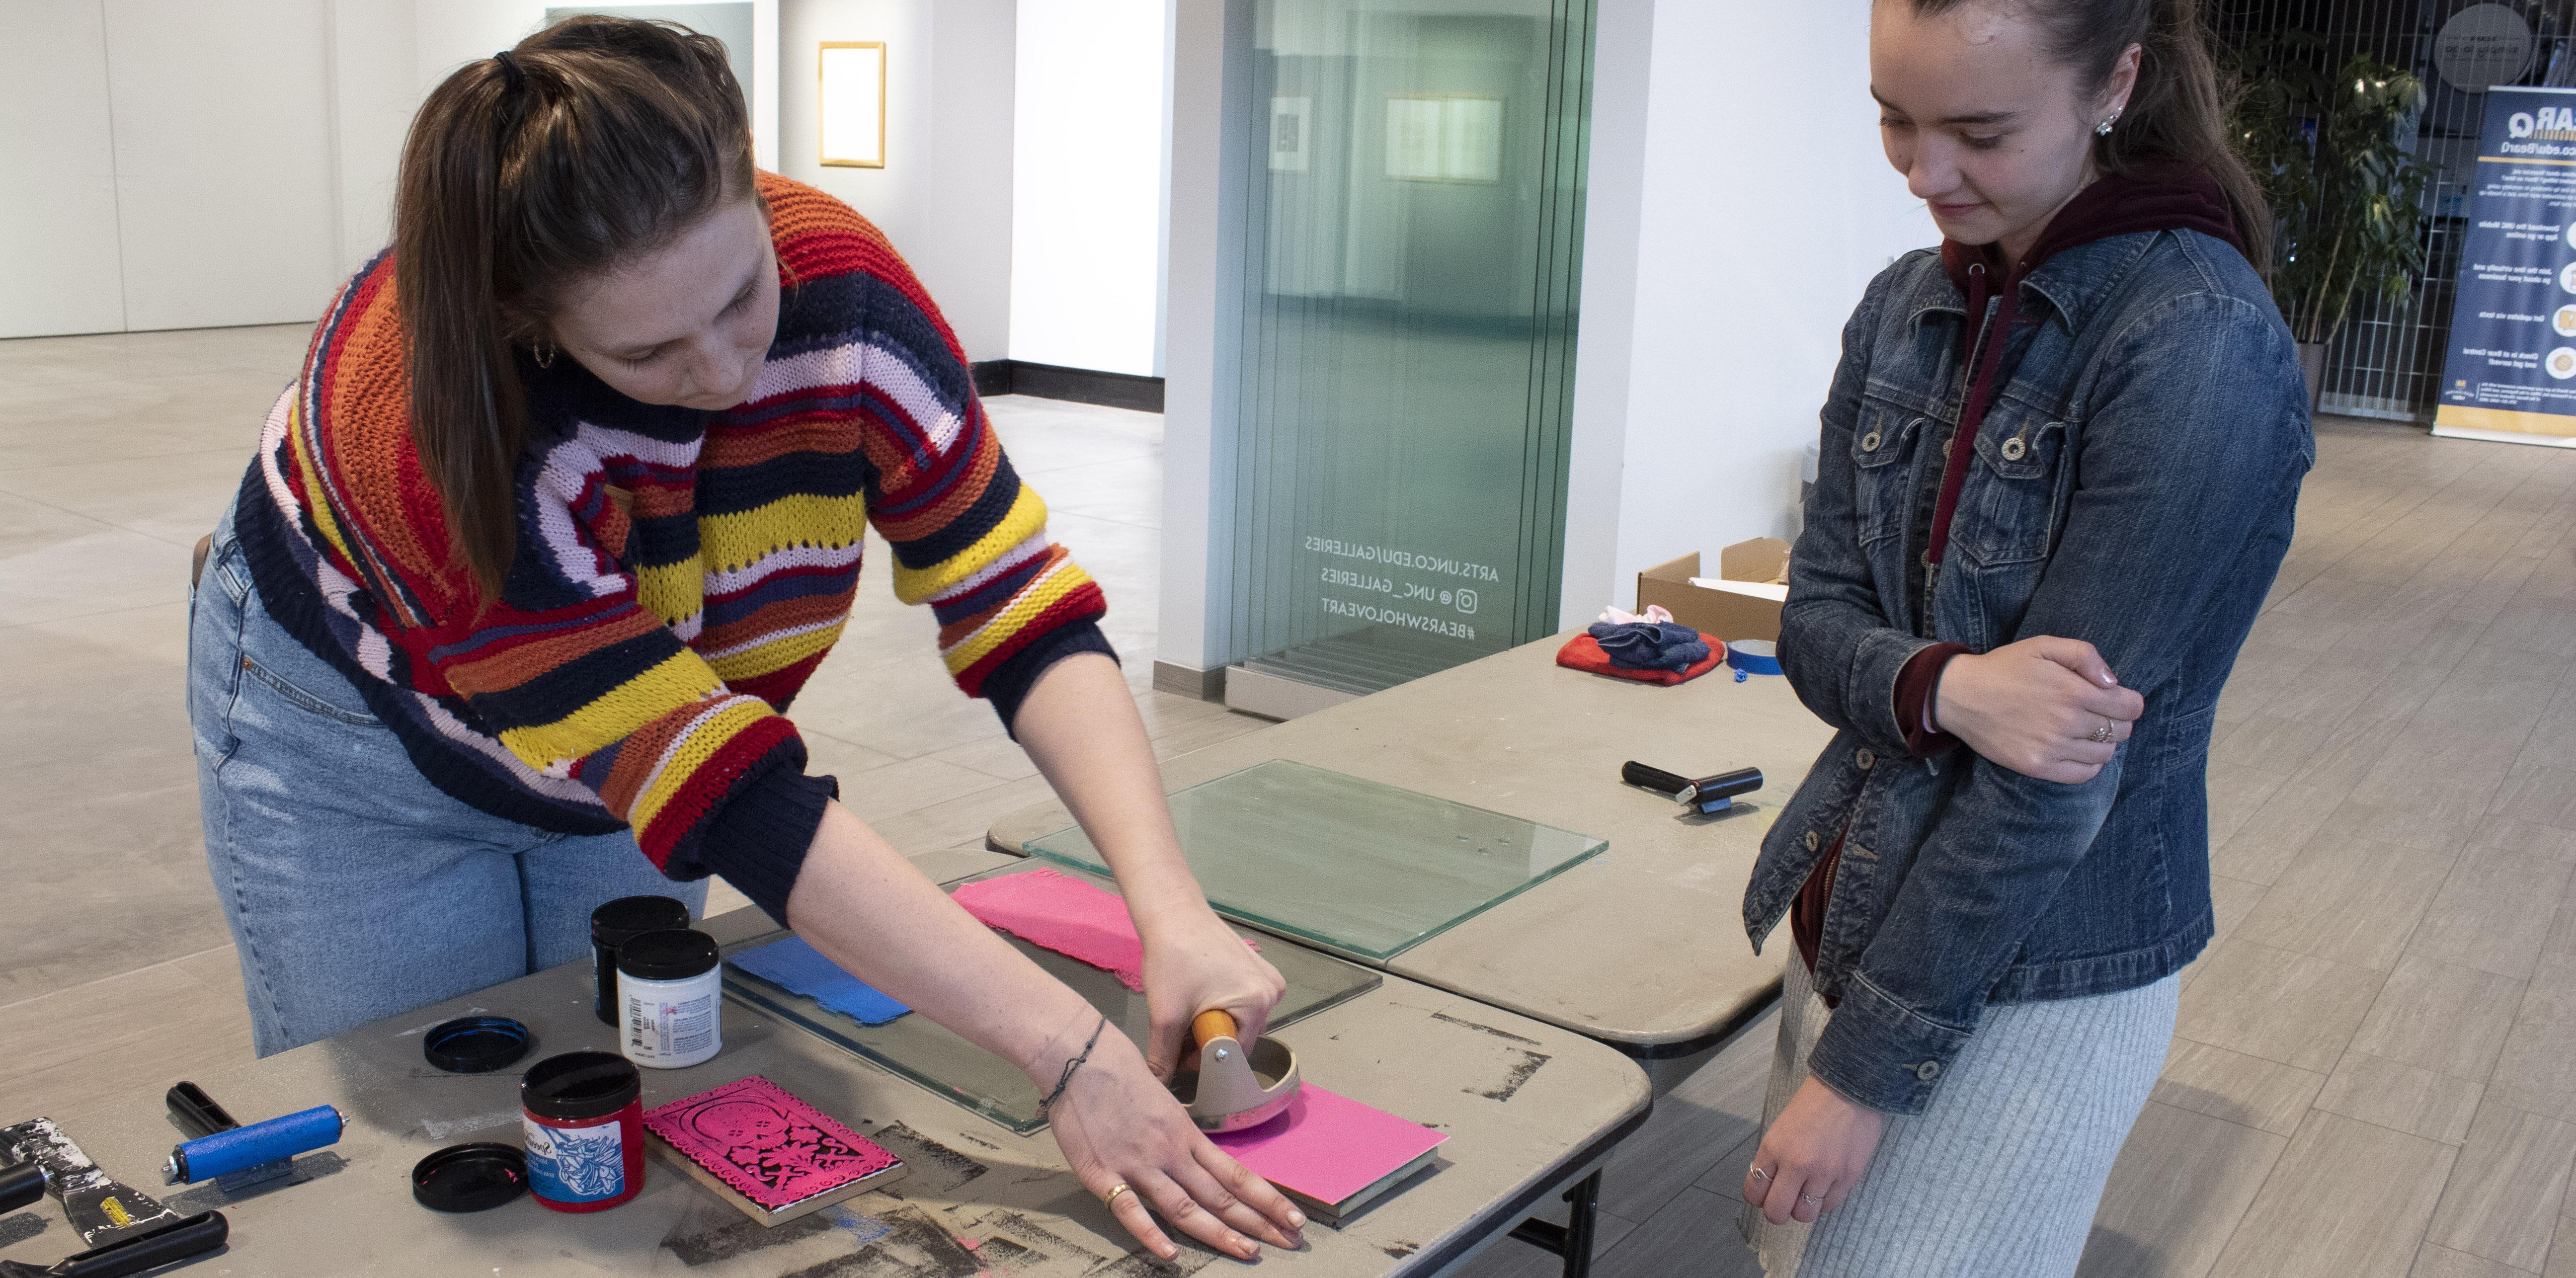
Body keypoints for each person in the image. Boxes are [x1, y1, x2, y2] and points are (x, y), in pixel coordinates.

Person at [185, 16, 1300, 1262]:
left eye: (741, 293)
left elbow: (1015, 599)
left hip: (634, 743)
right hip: (362, 750)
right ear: (530, 321)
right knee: (430, 1148)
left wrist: (1173, 910)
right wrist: (1067, 1049)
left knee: (626, 1104)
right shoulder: (425, 425)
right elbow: (726, 791)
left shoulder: (850, 290)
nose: (724, 366)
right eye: (648, 350)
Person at [1733, 0, 2309, 1272]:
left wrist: (1865, 1074)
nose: (1926, 173)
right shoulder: (1904, 306)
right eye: (1896, 119)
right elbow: (1815, 626)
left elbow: (2052, 782)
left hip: (2040, 961)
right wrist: (1946, 686)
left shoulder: (2193, 344)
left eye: (1980, 132)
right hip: (1854, 899)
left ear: (2116, 84)